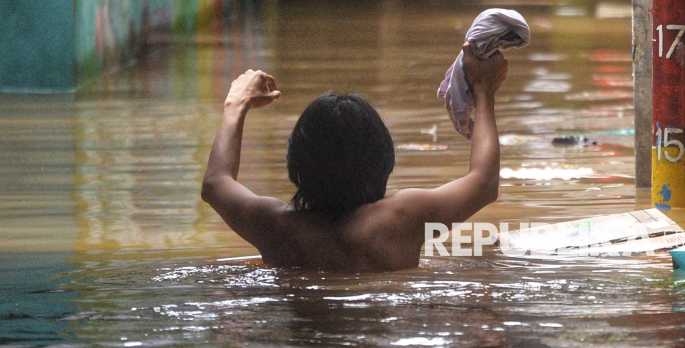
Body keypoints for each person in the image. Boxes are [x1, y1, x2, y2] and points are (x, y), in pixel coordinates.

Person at [201, 42, 508, 271]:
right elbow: (483, 183)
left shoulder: (274, 226)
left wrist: (236, 105)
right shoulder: (403, 218)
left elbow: (215, 182)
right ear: (383, 160)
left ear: (295, 164)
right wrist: (483, 90)